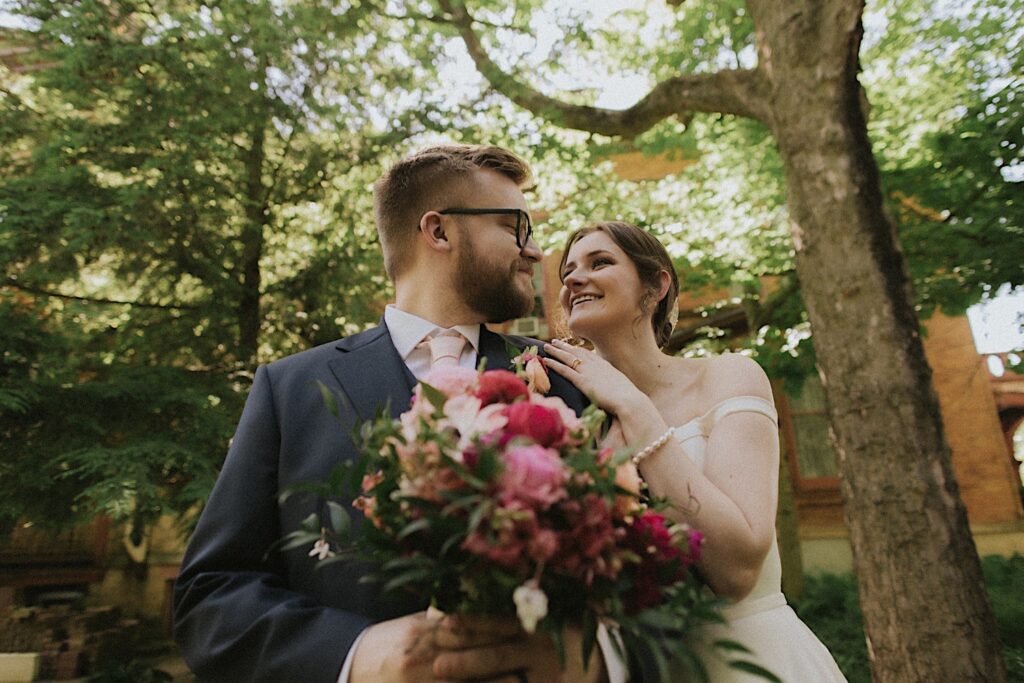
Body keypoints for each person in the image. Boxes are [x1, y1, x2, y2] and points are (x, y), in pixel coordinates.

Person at [172, 145, 614, 682]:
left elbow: (647, 567)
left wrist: (591, 660)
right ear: (439, 231)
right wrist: (356, 656)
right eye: (514, 226)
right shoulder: (289, 389)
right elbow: (211, 595)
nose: (536, 251)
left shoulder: (569, 380)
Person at [543, 221, 847, 682]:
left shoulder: (727, 378)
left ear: (656, 285)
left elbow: (737, 569)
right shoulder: (573, 417)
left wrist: (634, 408)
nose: (572, 279)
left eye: (600, 262)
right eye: (568, 270)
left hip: (753, 663)